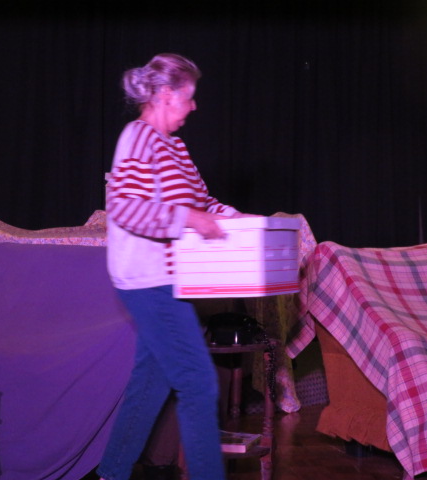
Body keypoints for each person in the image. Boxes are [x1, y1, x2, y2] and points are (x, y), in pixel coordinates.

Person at [97, 53, 251, 480]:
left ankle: (111, 473)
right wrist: (188, 219)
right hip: (146, 280)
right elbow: (125, 208)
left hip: (169, 280)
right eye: (189, 96)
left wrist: (239, 220)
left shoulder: (175, 147)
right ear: (166, 95)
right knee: (199, 383)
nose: (194, 106)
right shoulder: (137, 137)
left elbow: (203, 204)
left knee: (152, 381)